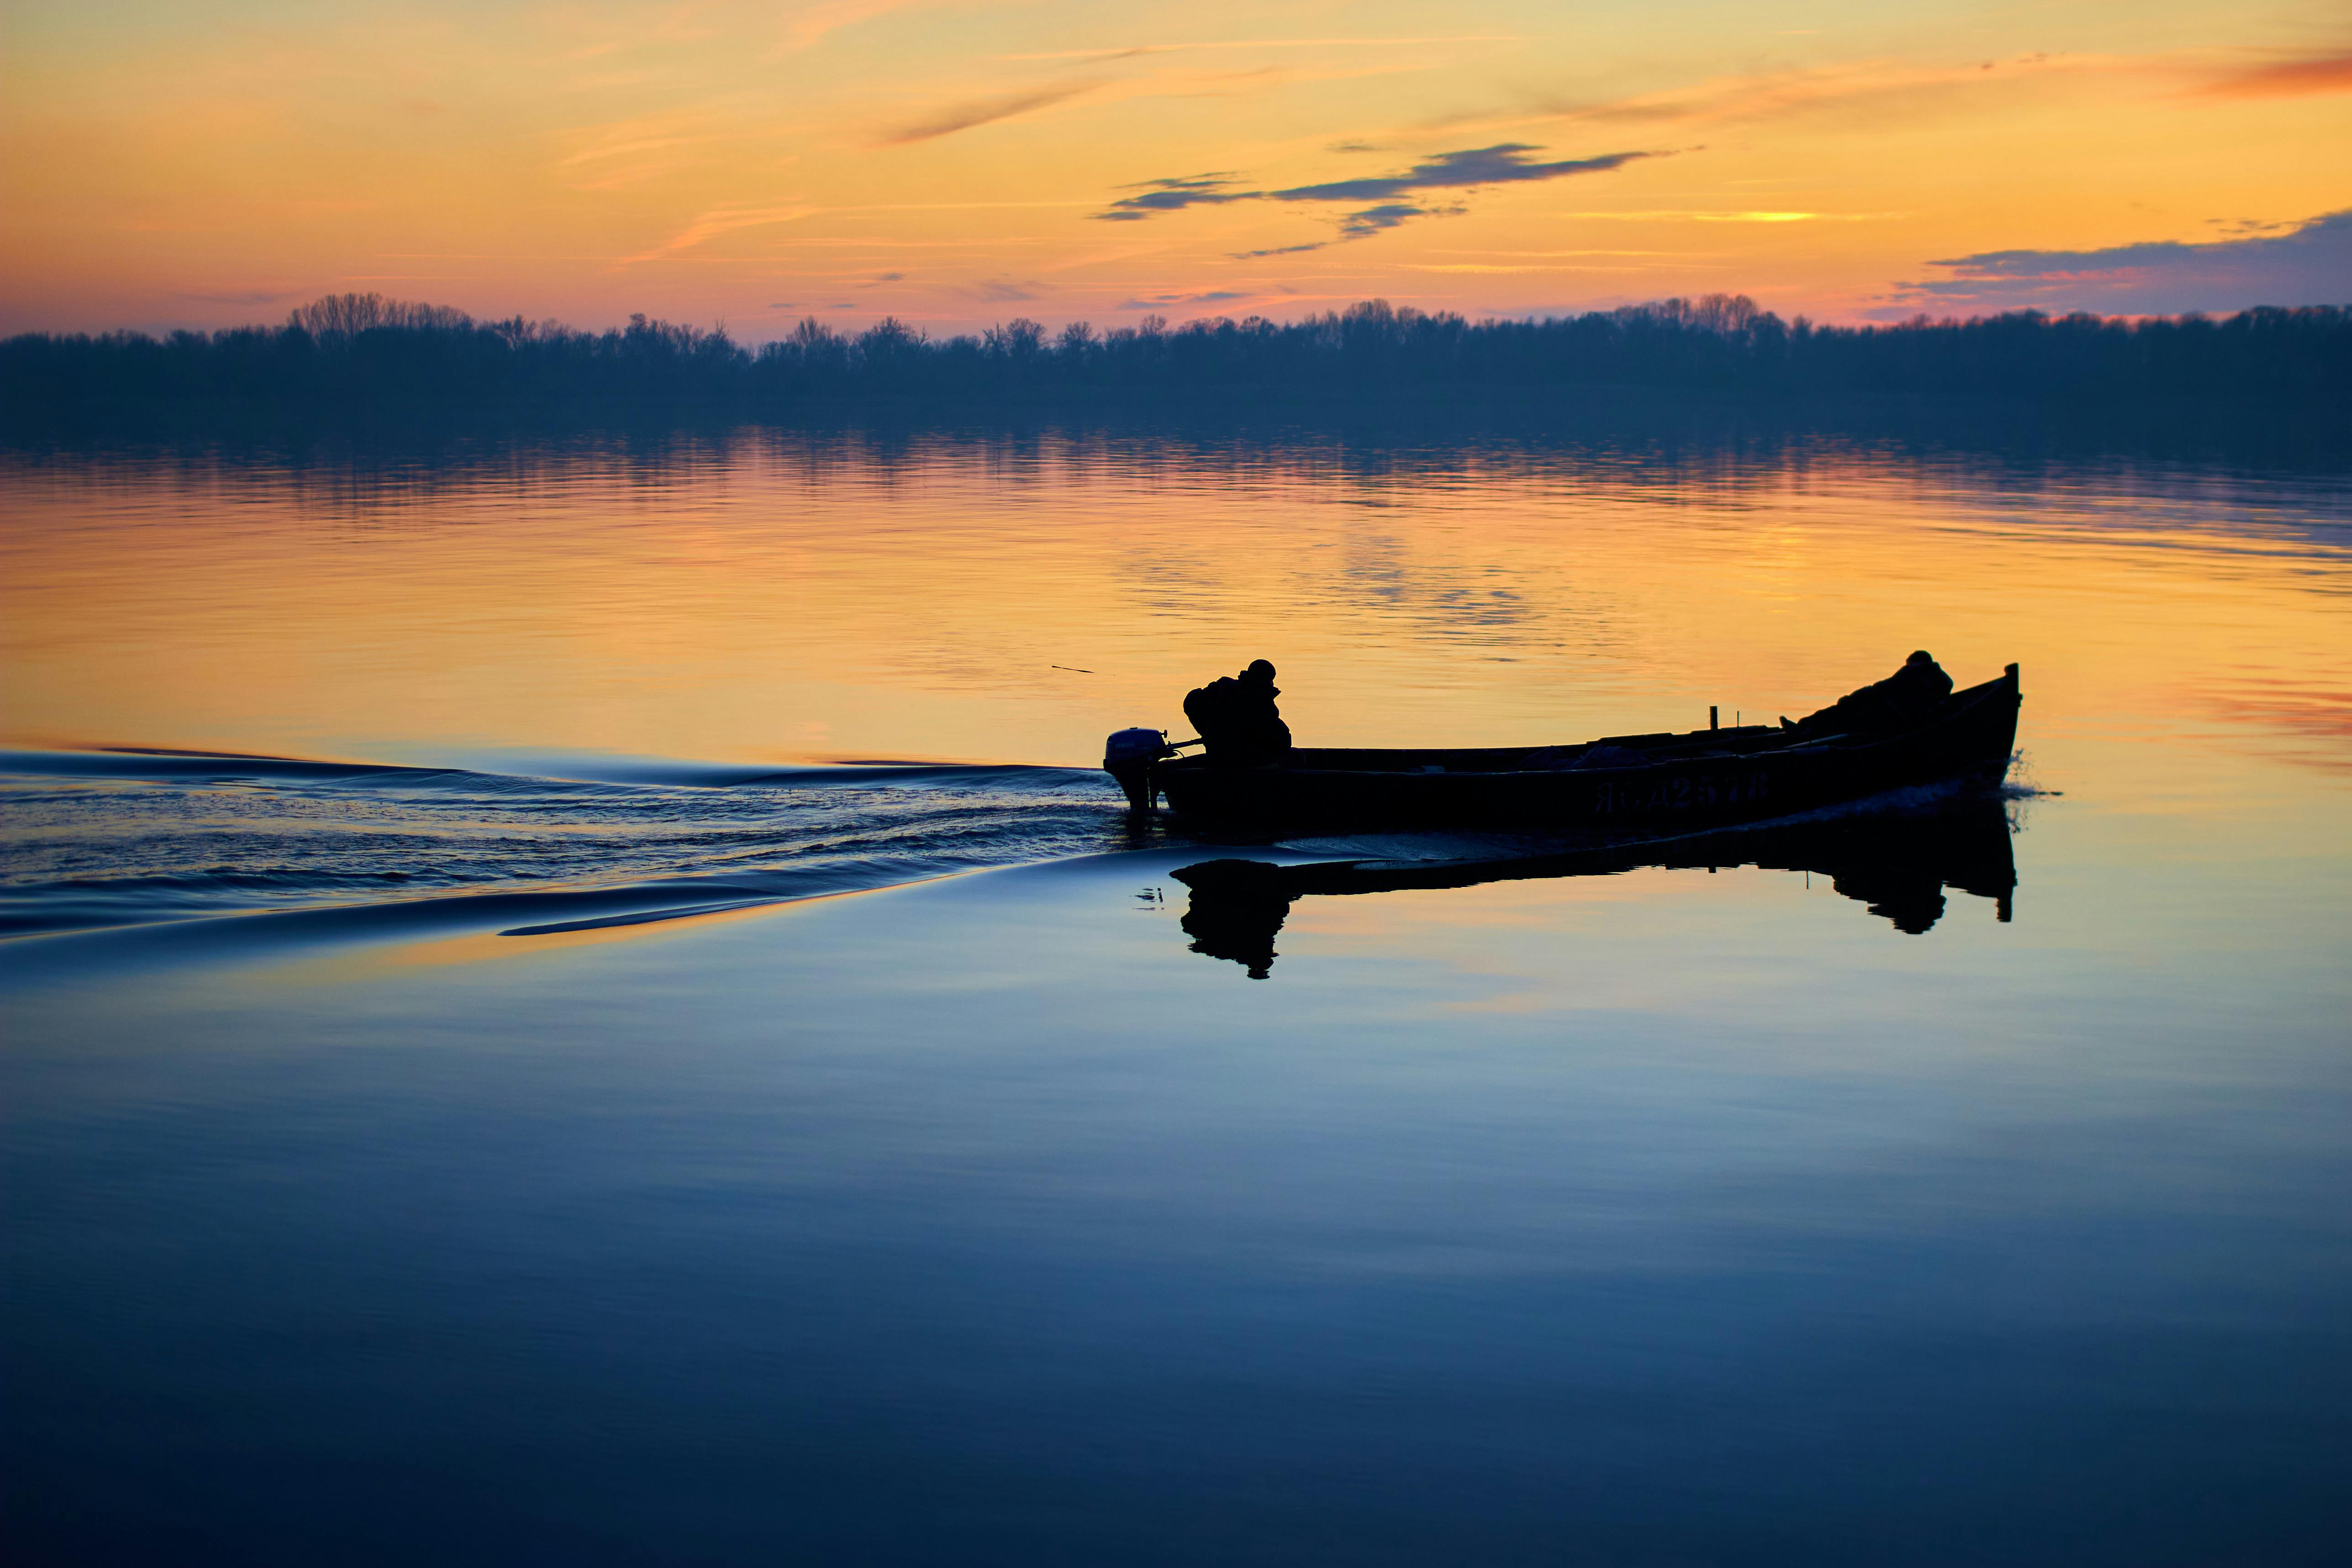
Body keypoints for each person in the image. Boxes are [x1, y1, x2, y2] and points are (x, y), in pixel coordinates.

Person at [1786, 651, 1954, 735]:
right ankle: (1808, 728)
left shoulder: (1912, 674)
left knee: (1843, 713)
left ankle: (1805, 728)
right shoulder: (1944, 679)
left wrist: (1850, 699)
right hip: (1904, 717)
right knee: (1848, 716)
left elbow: (1880, 689)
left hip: (1894, 717)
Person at [1184, 658, 1294, 766]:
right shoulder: (1261, 702)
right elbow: (1282, 740)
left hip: (1217, 757)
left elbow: (1192, 699)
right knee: (1298, 756)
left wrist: (1206, 732)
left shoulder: (1220, 689)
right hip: (1246, 761)